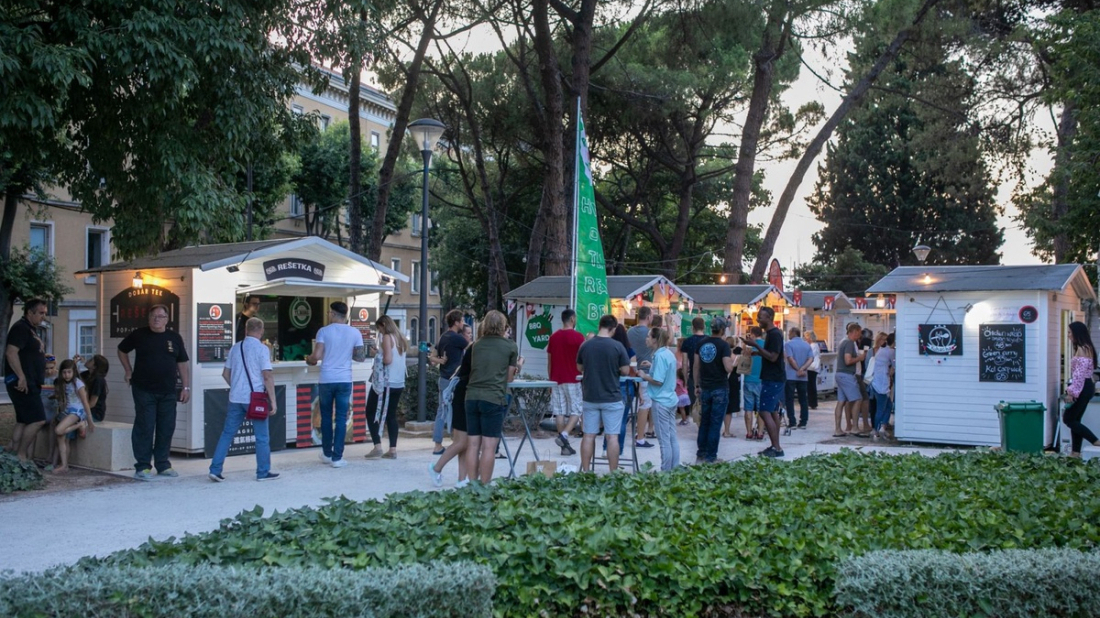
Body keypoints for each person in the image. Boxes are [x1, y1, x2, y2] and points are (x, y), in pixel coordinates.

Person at [117, 304, 191, 480]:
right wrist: (128, 371)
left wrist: (186, 387)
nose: (157, 319)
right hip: (143, 389)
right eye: (154, 316)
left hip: (168, 391)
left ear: (167, 319)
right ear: (149, 319)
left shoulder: (174, 337)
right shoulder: (139, 334)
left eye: (161, 316)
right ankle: (142, 466)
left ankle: (163, 464)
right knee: (145, 427)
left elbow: (182, 363)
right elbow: (122, 350)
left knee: (166, 427)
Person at [208, 317, 279, 482]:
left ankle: (215, 469)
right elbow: (267, 376)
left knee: (227, 434)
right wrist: (273, 401)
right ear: (261, 331)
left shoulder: (235, 348)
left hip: (235, 398)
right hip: (255, 398)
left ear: (246, 329)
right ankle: (263, 472)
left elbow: (225, 374)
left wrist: (237, 387)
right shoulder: (262, 349)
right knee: (261, 436)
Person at [305, 301, 366, 468]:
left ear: (332, 313)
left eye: (329, 313)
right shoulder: (355, 332)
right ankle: (337, 458)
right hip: (344, 379)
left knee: (325, 417)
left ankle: (326, 453)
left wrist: (308, 359)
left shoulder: (324, 331)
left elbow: (316, 356)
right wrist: (346, 353)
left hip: (326, 379)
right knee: (341, 418)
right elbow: (360, 357)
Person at [463, 310, 521, 484]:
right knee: (489, 446)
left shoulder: (475, 345)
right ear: (503, 326)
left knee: (473, 445)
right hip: (493, 397)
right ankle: (484, 486)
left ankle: (472, 484)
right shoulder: (510, 346)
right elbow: (509, 378)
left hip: (471, 397)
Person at [577, 315, 631, 471]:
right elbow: (626, 371)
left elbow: (579, 368)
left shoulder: (586, 346)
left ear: (599, 326)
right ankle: (613, 473)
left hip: (590, 396)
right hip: (612, 397)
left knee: (588, 435)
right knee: (612, 436)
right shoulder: (617, 346)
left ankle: (586, 472)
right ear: (613, 328)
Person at [5, 299, 49, 461]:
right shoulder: (21, 328)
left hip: (31, 381)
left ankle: (12, 453)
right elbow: (11, 352)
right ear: (30, 313)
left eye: (45, 313)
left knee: (23, 420)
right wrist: (21, 376)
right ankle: (21, 455)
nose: (43, 316)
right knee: (38, 420)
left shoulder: (31, 329)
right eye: (41, 313)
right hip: (23, 383)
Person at [741, 307, 785, 458]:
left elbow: (773, 357)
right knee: (772, 411)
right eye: (758, 317)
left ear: (770, 318)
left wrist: (756, 345)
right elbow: (771, 355)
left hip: (773, 378)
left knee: (764, 411)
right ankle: (775, 445)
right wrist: (757, 353)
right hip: (771, 377)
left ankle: (777, 448)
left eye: (761, 317)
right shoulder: (771, 334)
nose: (758, 320)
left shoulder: (774, 335)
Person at [429, 338, 473, 488]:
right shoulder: (477, 348)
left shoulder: (474, 348)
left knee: (464, 443)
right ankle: (436, 468)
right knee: (461, 442)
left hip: (464, 393)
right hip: (463, 396)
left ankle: (462, 479)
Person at [363, 314, 407, 460]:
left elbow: (387, 359)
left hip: (385, 383)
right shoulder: (400, 338)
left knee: (371, 411)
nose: (379, 333)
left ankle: (377, 446)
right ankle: (393, 449)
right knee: (391, 415)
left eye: (379, 329)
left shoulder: (387, 337)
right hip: (398, 382)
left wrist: (377, 354)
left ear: (383, 325)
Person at [637, 327, 679, 470]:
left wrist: (644, 376)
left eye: (649, 336)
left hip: (661, 401)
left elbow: (658, 380)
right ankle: (674, 467)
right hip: (670, 399)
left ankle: (666, 470)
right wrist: (651, 366)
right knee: (672, 437)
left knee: (663, 440)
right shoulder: (667, 353)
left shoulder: (659, 356)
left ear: (655, 339)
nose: (646, 339)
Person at [693, 316, 733, 463]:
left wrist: (696, 385)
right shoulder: (724, 346)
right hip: (720, 388)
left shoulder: (701, 344)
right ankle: (711, 457)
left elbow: (696, 366)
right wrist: (735, 362)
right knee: (715, 424)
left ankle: (701, 454)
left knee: (704, 422)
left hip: (705, 387)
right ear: (722, 329)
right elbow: (727, 367)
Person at [429, 309, 467, 455]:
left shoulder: (443, 337)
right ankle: (457, 441)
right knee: (457, 410)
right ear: (456, 322)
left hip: (443, 378)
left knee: (442, 411)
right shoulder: (457, 338)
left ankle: (438, 444)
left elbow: (432, 356)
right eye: (462, 320)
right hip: (454, 380)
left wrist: (440, 360)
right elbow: (471, 348)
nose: (463, 323)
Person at [547, 309, 585, 456]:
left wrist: (550, 378)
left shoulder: (554, 337)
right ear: (572, 319)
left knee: (559, 411)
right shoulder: (578, 337)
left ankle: (564, 446)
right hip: (573, 377)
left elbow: (549, 361)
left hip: (556, 378)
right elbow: (583, 359)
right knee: (577, 409)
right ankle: (564, 436)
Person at [51, 359, 94, 474]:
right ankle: (64, 465)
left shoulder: (78, 383)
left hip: (77, 411)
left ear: (74, 372)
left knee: (59, 430)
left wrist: (89, 419)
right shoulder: (63, 383)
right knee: (61, 438)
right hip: (67, 411)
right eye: (64, 372)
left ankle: (80, 424)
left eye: (69, 372)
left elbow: (85, 402)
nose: (66, 375)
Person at [1064, 322, 1099, 458]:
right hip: (1087, 385)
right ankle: (1075, 452)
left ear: (1077, 333)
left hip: (1082, 386)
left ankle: (1095, 440)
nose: (1068, 335)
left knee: (1068, 418)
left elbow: (1079, 374)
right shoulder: (1088, 347)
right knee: (1075, 420)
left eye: (1069, 332)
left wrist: (1071, 392)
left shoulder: (1082, 349)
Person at [627, 306, 655, 449]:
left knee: (635, 404)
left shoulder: (630, 331)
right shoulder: (651, 333)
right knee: (645, 405)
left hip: (632, 372)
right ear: (649, 316)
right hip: (646, 372)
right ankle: (640, 437)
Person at [834, 323, 868, 437]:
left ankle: (838, 429)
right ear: (854, 331)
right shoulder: (849, 343)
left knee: (841, 402)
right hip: (847, 374)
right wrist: (860, 358)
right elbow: (848, 361)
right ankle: (854, 428)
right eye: (858, 333)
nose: (859, 336)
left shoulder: (843, 342)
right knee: (858, 399)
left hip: (839, 374)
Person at [784, 327, 813, 429]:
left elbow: (790, 359)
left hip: (791, 375)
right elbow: (811, 359)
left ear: (793, 333)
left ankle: (792, 422)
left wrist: (797, 369)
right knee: (803, 399)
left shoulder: (788, 344)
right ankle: (803, 422)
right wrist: (803, 369)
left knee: (790, 399)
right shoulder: (806, 345)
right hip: (803, 376)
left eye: (789, 333)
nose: (788, 335)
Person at [871, 332, 895, 440]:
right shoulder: (891, 352)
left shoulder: (882, 350)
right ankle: (876, 430)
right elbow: (894, 367)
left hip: (877, 382)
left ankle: (882, 427)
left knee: (889, 405)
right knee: (881, 408)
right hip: (882, 383)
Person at [742, 326, 764, 440]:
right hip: (761, 380)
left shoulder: (748, 346)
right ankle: (760, 432)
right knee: (761, 408)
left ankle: (749, 432)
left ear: (753, 334)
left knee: (748, 408)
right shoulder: (765, 344)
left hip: (748, 379)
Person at [79, 355, 110, 423]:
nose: (87, 360)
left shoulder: (98, 380)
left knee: (72, 419)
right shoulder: (85, 375)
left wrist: (78, 410)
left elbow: (92, 403)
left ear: (94, 366)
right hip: (85, 409)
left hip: (95, 413)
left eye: (90, 360)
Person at [723, 337, 742, 437]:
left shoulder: (722, 354)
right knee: (729, 408)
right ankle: (726, 431)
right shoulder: (737, 356)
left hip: (722, 380)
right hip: (733, 381)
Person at [805, 331, 822, 409]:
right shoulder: (815, 345)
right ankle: (812, 402)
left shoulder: (812, 346)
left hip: (811, 367)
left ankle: (812, 402)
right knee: (811, 385)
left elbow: (810, 357)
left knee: (810, 386)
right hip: (813, 368)